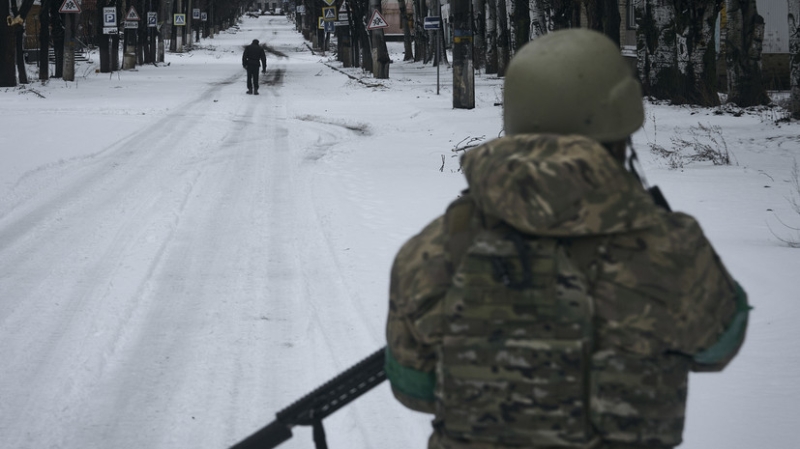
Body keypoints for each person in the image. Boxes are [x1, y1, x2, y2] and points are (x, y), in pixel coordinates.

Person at [385, 28, 749, 449]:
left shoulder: (432, 250)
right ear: (623, 121)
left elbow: (414, 388)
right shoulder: (673, 248)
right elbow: (719, 345)